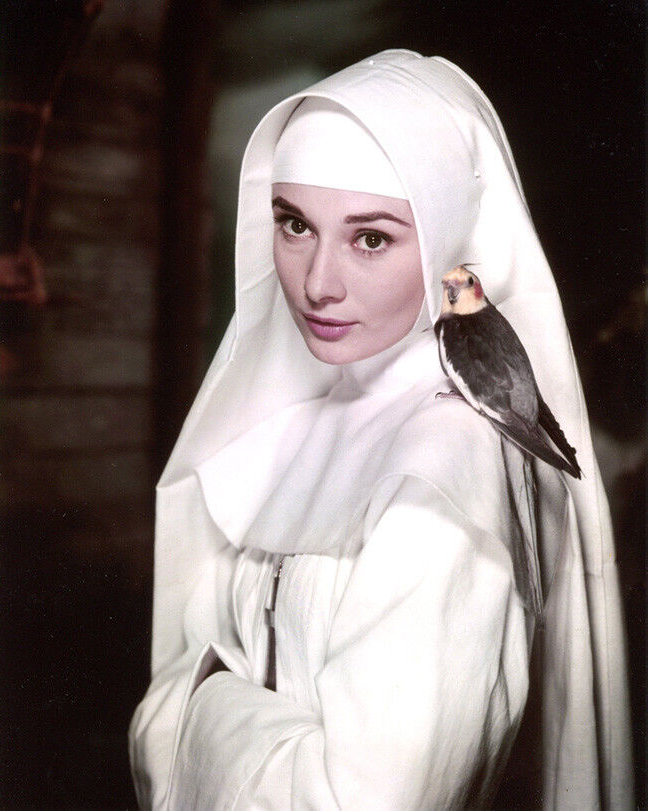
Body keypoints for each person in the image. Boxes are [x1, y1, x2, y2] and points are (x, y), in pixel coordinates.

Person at [129, 51, 632, 809]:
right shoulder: (291, 418)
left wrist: (193, 707)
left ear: (448, 244)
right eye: (294, 224)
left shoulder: (443, 468)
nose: (317, 283)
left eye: (370, 238)